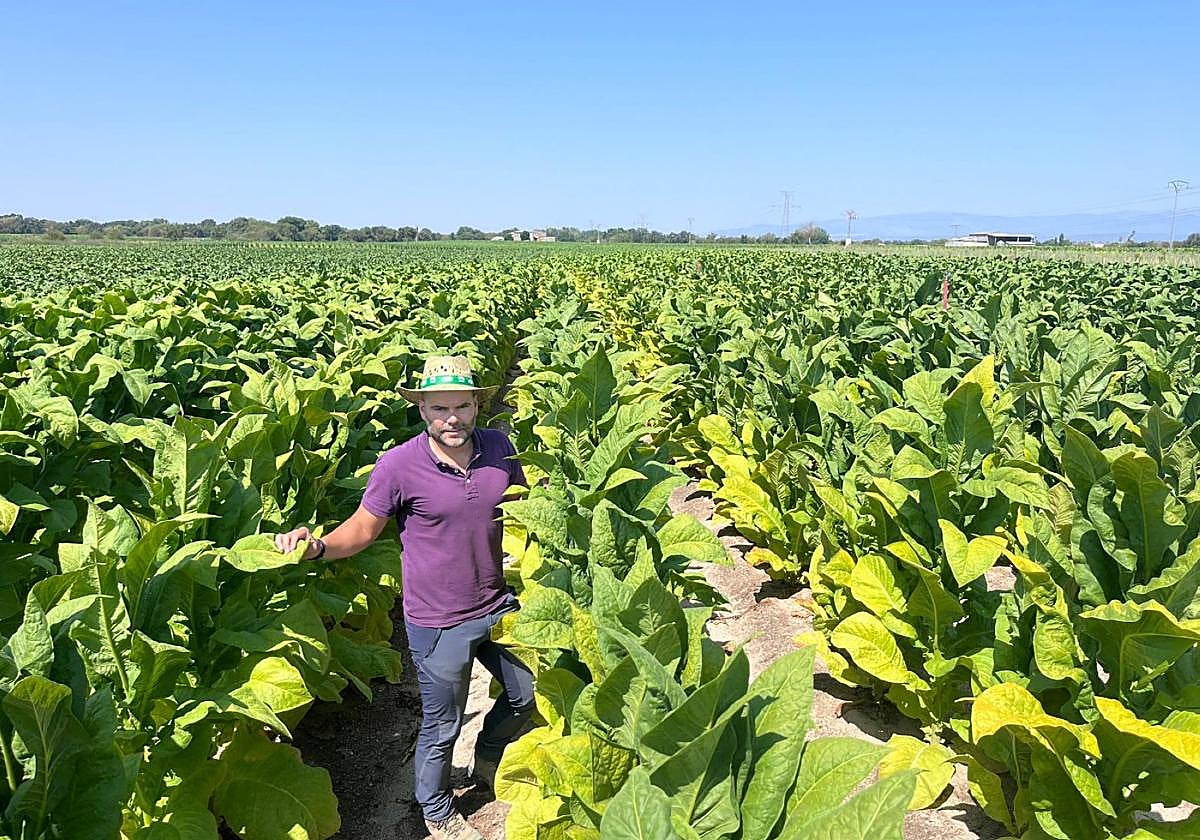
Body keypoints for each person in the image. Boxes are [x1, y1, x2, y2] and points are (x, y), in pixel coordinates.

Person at [275, 355, 535, 840]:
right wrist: (316, 547)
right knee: (443, 724)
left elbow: (527, 508)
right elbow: (362, 529)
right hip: (438, 619)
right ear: (422, 410)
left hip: (498, 604)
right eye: (440, 408)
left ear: (477, 404)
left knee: (526, 694)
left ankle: (488, 754)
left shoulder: (499, 447)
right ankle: (436, 809)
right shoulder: (398, 465)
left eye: (462, 406)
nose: (452, 418)